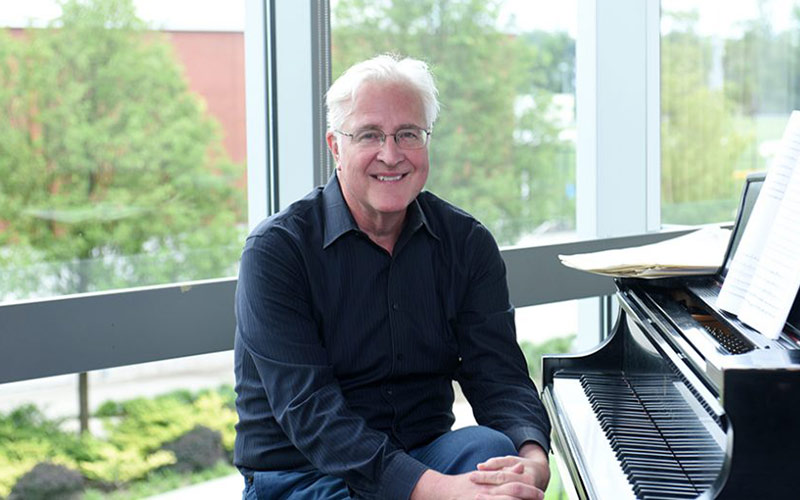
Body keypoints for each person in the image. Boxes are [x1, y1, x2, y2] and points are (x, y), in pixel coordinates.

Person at [233, 53, 551, 500]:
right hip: (303, 476)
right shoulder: (277, 251)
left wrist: (532, 462)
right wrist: (440, 491)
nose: (391, 153)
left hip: (423, 454)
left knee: (494, 451)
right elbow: (311, 414)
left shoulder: (465, 243)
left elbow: (498, 373)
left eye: (408, 134)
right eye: (369, 135)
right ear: (335, 146)